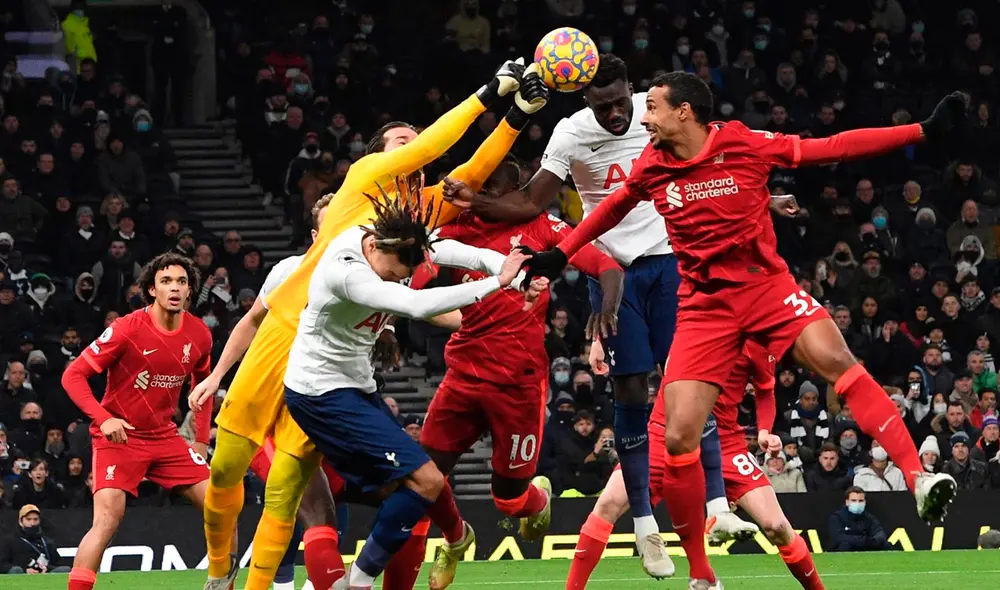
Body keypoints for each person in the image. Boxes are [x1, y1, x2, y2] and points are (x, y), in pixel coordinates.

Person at [524, 72, 963, 586]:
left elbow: (834, 146)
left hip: (766, 289)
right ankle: (703, 573)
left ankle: (917, 476)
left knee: (841, 364)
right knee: (681, 439)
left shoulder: (742, 142)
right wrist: (560, 254)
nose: (644, 119)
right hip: (705, 310)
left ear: (684, 112)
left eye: (654, 110)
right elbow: (608, 212)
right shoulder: (654, 164)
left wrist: (921, 131)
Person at [197, 59, 545, 590]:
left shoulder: (419, 215)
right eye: (403, 141)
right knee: (226, 468)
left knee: (288, 489)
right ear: (382, 157)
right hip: (287, 335)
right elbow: (432, 148)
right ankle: (219, 572)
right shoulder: (363, 182)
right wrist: (487, 94)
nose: (419, 146)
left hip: (337, 367)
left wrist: (517, 113)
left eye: (417, 138)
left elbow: (471, 173)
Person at [444, 56, 757, 578]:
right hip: (614, 271)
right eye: (600, 104)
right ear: (583, 101)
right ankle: (643, 524)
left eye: (620, 102)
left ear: (632, 91)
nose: (614, 113)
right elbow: (529, 203)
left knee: (689, 383)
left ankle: (718, 507)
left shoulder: (655, 114)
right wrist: (474, 202)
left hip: (673, 263)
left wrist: (763, 198)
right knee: (631, 393)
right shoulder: (570, 134)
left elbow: (715, 164)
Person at [282, 182, 534, 590]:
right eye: (400, 274)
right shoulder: (346, 270)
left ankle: (446, 540)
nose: (402, 281)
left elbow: (460, 252)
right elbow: (416, 306)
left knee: (413, 489)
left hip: (355, 387)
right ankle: (359, 582)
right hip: (320, 394)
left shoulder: (394, 242)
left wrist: (511, 269)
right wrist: (496, 283)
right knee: (427, 481)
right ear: (380, 252)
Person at [410, 159, 624, 587]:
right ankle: (455, 539)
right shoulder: (453, 232)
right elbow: (411, 291)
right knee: (421, 482)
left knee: (508, 502)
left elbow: (607, 266)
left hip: (518, 384)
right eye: (477, 187)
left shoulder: (542, 227)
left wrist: (605, 312)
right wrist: (437, 315)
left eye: (491, 188)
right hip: (463, 376)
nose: (479, 196)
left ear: (515, 191)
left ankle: (536, 501)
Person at [567, 340, 824, 590]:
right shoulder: (687, 311)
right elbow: (637, 313)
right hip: (665, 430)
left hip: (725, 442)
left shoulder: (757, 337)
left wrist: (765, 431)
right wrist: (602, 339)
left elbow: (765, 390)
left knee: (777, 527)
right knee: (608, 503)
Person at [59, 253, 220, 590]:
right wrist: (104, 420)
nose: (174, 288)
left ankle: (221, 584)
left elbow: (203, 387)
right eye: (165, 282)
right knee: (106, 522)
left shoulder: (200, 334)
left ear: (190, 291)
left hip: (166, 437)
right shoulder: (126, 329)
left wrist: (201, 440)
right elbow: (73, 376)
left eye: (181, 282)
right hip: (120, 438)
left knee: (222, 506)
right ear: (151, 290)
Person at [0, 504, 70, 574]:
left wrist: (46, 568)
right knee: (16, 570)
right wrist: (25, 570)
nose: (32, 523)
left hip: (46, 575)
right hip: (21, 576)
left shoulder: (47, 542)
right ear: (20, 522)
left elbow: (58, 563)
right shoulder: (10, 541)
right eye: (28, 519)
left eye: (35, 519)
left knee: (65, 569)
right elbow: (2, 564)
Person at [828, 487, 892, 551]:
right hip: (849, 547)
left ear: (865, 502)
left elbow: (880, 533)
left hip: (866, 546)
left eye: (861, 501)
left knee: (885, 545)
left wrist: (873, 541)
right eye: (854, 500)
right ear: (847, 502)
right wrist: (862, 541)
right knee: (845, 545)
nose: (857, 503)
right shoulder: (837, 517)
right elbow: (838, 537)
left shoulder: (869, 517)